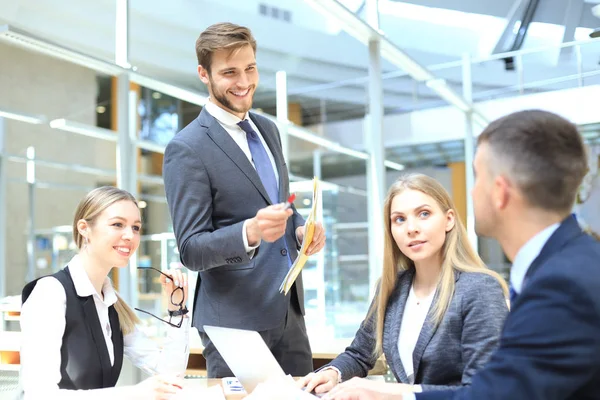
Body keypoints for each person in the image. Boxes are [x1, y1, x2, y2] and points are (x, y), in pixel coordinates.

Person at [332, 110, 600, 400]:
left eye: (476, 177)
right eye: (399, 219)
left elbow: (495, 395)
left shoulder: (561, 283)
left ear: (500, 192)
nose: (471, 192)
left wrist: (393, 394)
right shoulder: (559, 268)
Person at [163, 22, 326, 378]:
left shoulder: (268, 130)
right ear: (204, 74)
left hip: (289, 315)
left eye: (250, 68)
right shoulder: (187, 148)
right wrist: (249, 232)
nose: (243, 82)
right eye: (230, 72)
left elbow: (281, 204)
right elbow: (191, 249)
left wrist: (301, 229)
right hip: (234, 323)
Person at [298, 174, 508, 397]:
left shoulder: (480, 289)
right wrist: (333, 373)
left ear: (449, 220)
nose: (411, 228)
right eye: (399, 219)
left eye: (424, 214)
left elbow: (485, 392)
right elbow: (360, 353)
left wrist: (393, 392)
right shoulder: (392, 287)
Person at [19, 186, 191, 399]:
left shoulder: (112, 303)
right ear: (84, 228)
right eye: (117, 224)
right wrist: (134, 394)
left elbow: (170, 374)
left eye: (136, 227)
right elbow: (38, 394)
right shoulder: (50, 293)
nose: (129, 235)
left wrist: (177, 309)